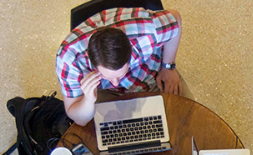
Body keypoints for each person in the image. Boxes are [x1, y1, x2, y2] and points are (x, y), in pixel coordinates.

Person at [56, 7, 184, 126]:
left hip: (149, 77)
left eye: (121, 74)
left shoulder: (149, 30)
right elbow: (79, 120)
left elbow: (175, 18)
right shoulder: (69, 59)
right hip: (101, 91)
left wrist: (168, 66)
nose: (116, 84)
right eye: (107, 76)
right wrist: (88, 100)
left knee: (180, 121)